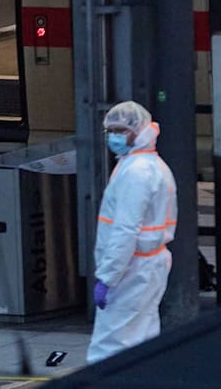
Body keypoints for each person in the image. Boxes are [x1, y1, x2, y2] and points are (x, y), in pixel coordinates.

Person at [87, 101, 177, 363]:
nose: (114, 137)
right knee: (142, 339)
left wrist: (108, 276)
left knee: (111, 345)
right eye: (110, 131)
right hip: (148, 265)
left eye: (120, 130)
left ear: (139, 131)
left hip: (132, 268)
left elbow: (125, 230)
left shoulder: (136, 172)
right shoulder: (150, 165)